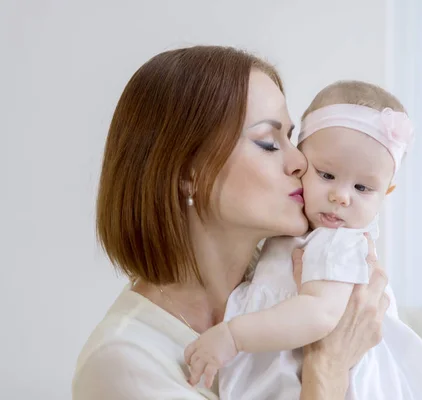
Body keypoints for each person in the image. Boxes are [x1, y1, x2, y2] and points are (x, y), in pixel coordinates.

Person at [71, 46, 390, 400]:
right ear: (187, 172)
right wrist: (327, 364)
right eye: (269, 144)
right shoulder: (123, 364)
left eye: (292, 138)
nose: (300, 161)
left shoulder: (296, 277)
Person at [185, 81, 422, 399]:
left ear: (386, 193)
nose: (341, 196)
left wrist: (233, 336)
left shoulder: (339, 244)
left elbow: (319, 315)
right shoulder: (299, 235)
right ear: (302, 162)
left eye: (363, 188)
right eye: (327, 175)